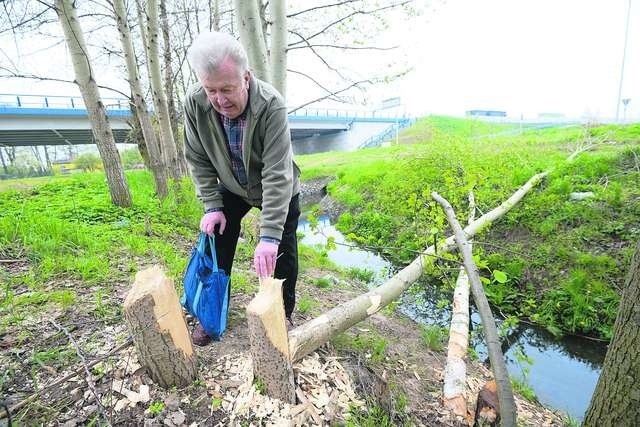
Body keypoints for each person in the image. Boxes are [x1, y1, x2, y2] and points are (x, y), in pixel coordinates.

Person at [184, 31, 300, 346]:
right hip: (233, 187)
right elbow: (197, 158)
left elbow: (278, 174)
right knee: (217, 239)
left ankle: (282, 313)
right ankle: (210, 317)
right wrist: (212, 206)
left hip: (278, 189)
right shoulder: (194, 105)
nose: (220, 100)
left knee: (283, 254)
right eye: (211, 91)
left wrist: (269, 237)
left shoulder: (271, 106)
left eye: (227, 89)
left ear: (245, 78)